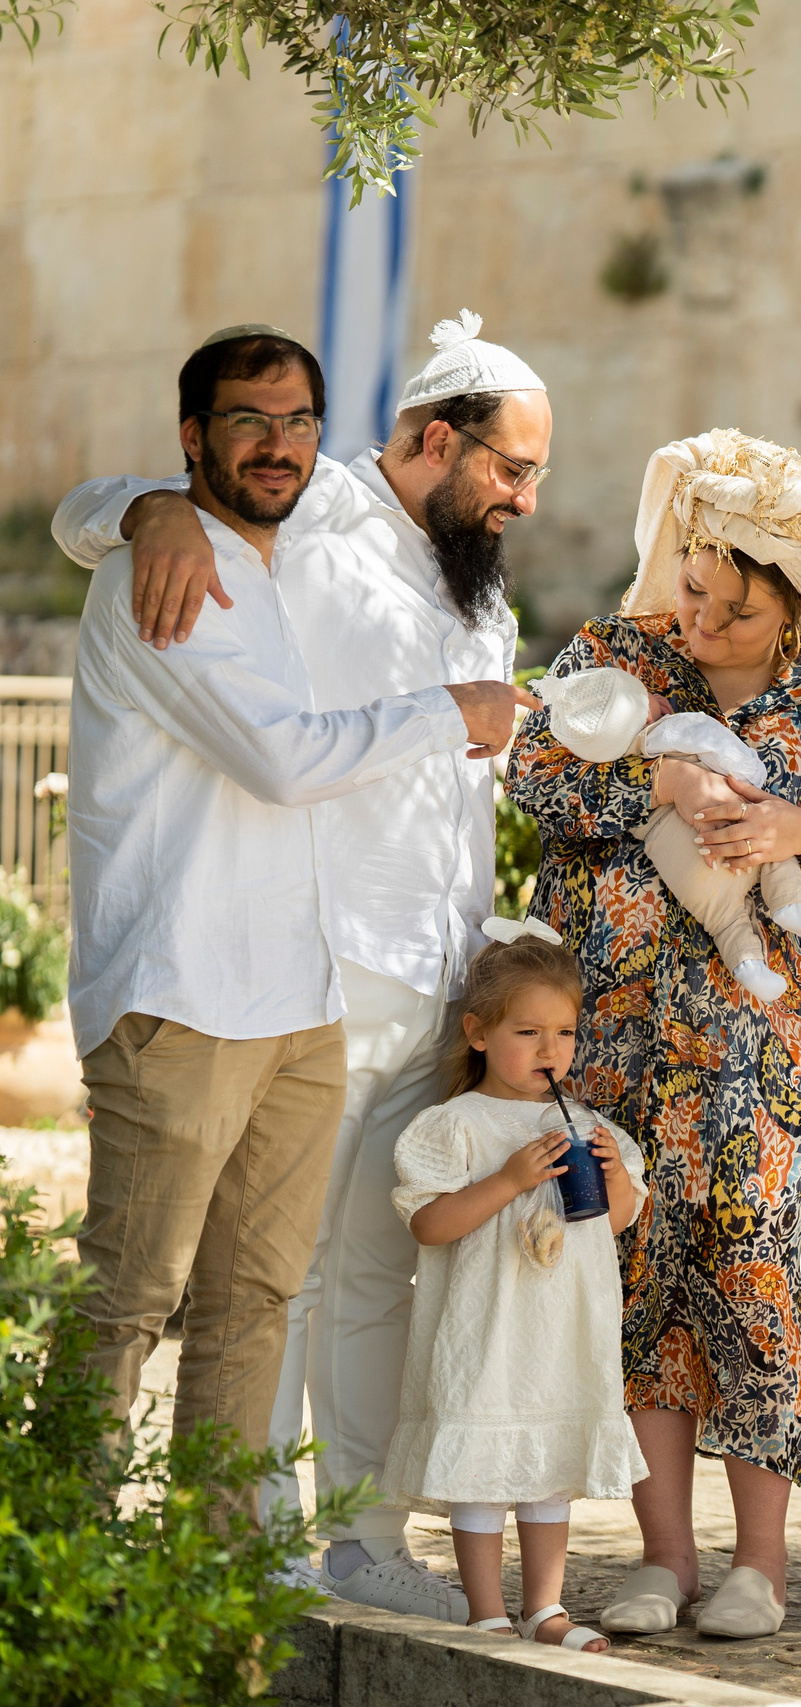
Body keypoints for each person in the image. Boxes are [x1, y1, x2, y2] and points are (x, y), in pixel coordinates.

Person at [52, 309, 553, 1616]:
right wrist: (144, 509)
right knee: (256, 1279)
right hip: (304, 971)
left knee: (370, 1268)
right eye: (513, 469)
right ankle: (248, 1534)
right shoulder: (311, 505)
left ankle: (362, 1534)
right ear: (435, 440)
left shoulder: (477, 573)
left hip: (432, 975)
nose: (527, 498)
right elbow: (91, 511)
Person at [507, 430, 801, 1642]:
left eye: (733, 611)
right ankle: (660, 1559)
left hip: (767, 1044)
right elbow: (534, 769)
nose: (699, 621)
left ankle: (761, 1564)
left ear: (789, 609)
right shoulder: (615, 653)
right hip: (615, 1027)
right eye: (693, 589)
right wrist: (655, 783)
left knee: (747, 1266)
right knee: (632, 1271)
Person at [379, 921, 646, 1656]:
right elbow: (431, 1223)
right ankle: (487, 1609)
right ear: (478, 1032)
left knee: (548, 1464)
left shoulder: (590, 1126)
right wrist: (507, 1180)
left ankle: (545, 1607)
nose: (551, 1049)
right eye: (528, 1031)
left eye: (564, 1031)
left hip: (558, 1332)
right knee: (484, 1460)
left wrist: (618, 1181)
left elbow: (614, 1222)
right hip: (488, 1327)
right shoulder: (455, 1126)